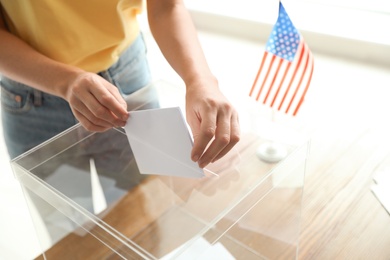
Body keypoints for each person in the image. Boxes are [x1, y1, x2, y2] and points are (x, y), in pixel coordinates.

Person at [0, 0, 240, 169]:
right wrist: (65, 81)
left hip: (126, 74)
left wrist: (200, 80)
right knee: (69, 231)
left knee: (142, 213)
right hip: (32, 91)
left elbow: (166, 6)